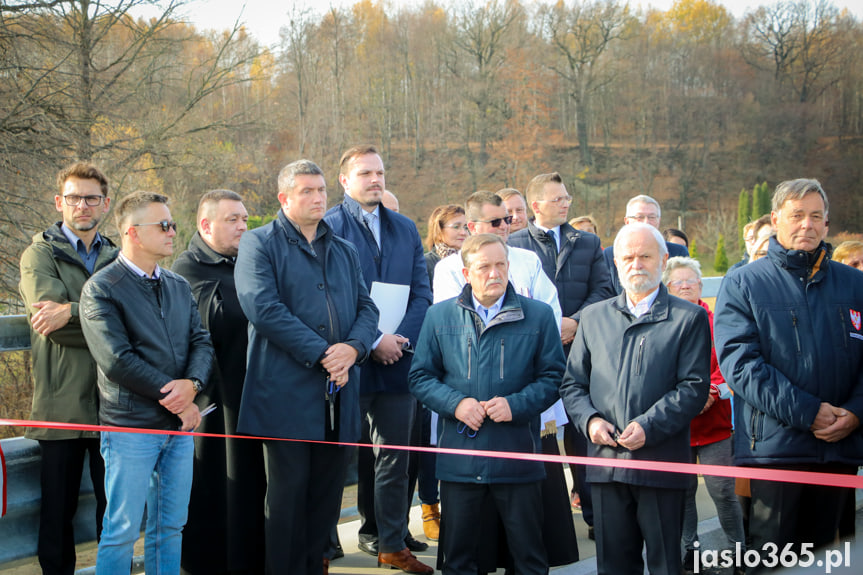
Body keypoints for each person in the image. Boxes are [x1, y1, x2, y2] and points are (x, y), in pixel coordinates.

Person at [234, 160, 378, 574]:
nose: (318, 198)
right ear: (284, 198)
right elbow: (263, 308)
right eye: (307, 191)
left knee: (327, 499)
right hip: (285, 396)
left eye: (321, 191)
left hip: (339, 394)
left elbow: (367, 307)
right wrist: (323, 353)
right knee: (286, 500)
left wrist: (352, 348)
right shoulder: (259, 244)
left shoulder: (344, 247)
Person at [714, 178, 863, 565]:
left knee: (834, 560)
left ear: (827, 224)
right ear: (777, 219)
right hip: (775, 453)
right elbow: (740, 364)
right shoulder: (744, 282)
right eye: (797, 215)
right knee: (773, 560)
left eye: (816, 217)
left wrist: (856, 412)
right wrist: (808, 412)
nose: (807, 225)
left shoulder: (854, 284)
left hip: (839, 450)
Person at [409, 233, 565, 575]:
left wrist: (516, 404)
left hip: (518, 456)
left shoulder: (537, 316)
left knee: (528, 558)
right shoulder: (439, 317)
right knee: (460, 559)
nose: (494, 273)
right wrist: (457, 404)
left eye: (500, 265)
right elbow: (419, 377)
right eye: (484, 267)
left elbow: (555, 377)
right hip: (460, 462)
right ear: (466, 274)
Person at [560, 222, 710, 575]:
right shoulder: (594, 317)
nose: (636, 264)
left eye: (645, 256)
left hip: (660, 463)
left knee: (664, 564)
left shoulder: (688, 318)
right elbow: (572, 385)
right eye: (627, 257)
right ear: (616, 263)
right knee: (613, 566)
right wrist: (591, 421)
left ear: (663, 259)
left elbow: (693, 387)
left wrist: (648, 427)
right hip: (606, 465)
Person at [80, 191, 214, 575]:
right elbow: (117, 360)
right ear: (132, 233)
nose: (174, 232)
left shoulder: (176, 284)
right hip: (130, 428)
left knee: (170, 526)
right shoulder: (102, 288)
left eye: (172, 223)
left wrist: (192, 383)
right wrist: (180, 399)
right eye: (164, 225)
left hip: (177, 428)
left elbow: (201, 341)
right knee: (121, 529)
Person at [324, 145, 434, 574]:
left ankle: (391, 543)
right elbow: (329, 299)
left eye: (380, 172)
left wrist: (400, 340)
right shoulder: (328, 228)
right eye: (365, 173)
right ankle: (323, 545)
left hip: (399, 362)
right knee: (336, 457)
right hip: (347, 362)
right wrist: (372, 341)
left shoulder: (405, 228)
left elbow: (422, 291)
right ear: (345, 181)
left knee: (395, 457)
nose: (375, 179)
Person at [18, 162, 117, 575]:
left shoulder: (118, 255)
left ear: (105, 204)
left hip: (115, 402)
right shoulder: (39, 254)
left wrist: (73, 311)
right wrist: (110, 320)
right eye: (73, 197)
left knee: (114, 513)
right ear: (59, 202)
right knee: (57, 513)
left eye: (91, 197)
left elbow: (136, 318)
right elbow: (50, 324)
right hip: (61, 405)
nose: (82, 205)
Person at [508, 171, 614, 546]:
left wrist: (575, 322)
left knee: (585, 435)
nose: (566, 203)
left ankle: (595, 514)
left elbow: (604, 289)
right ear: (536, 205)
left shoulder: (587, 242)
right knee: (544, 437)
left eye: (567, 197)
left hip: (583, 350)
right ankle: (546, 520)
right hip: (536, 355)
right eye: (557, 199)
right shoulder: (514, 245)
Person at [172, 190, 266, 574]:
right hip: (210, 402)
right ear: (206, 225)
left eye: (245, 219)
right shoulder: (186, 272)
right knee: (212, 489)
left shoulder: (251, 264)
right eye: (233, 220)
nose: (243, 226)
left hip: (255, 398)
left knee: (251, 490)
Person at [662, 257, 745, 575]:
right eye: (677, 283)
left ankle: (739, 551)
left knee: (722, 490)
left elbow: (730, 366)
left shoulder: (718, 323)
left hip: (715, 423)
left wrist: (711, 393)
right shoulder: (663, 325)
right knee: (683, 491)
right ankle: (690, 551)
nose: (684, 287)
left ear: (701, 286)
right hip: (677, 426)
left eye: (690, 282)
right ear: (667, 287)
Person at [413, 204, 469, 542]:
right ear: (440, 228)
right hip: (435, 353)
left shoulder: (473, 261)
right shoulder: (430, 262)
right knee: (429, 440)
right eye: (457, 226)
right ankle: (428, 507)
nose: (464, 232)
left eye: (467, 226)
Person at [432, 191, 561, 328]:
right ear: (472, 227)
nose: (504, 226)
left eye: (507, 219)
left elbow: (550, 310)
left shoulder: (528, 260)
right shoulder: (449, 268)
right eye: (495, 222)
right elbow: (451, 321)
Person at [603, 195, 689, 293]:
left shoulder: (678, 252)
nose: (646, 222)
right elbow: (606, 294)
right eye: (640, 217)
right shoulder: (610, 254)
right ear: (627, 221)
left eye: (652, 217)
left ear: (658, 221)